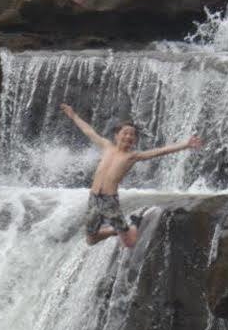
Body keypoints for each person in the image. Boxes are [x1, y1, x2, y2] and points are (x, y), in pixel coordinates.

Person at [60, 103, 202, 247]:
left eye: (132, 135)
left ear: (134, 140)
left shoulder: (132, 156)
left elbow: (160, 151)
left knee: (130, 242)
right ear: (117, 135)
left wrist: (185, 144)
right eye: (125, 133)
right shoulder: (107, 146)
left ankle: (135, 223)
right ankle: (113, 230)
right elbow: (89, 131)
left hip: (110, 201)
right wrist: (73, 115)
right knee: (91, 239)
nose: (128, 136)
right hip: (94, 198)